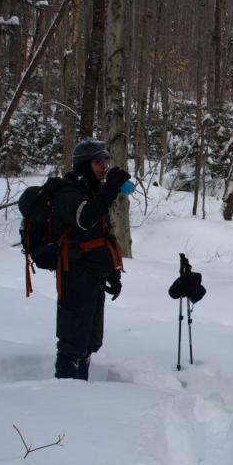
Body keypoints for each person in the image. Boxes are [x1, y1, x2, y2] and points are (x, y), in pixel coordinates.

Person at [52, 139, 134, 380]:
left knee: (89, 341)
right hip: (75, 274)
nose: (104, 165)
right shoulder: (68, 192)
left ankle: (82, 391)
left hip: (95, 275)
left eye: (106, 160)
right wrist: (110, 189)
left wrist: (112, 273)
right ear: (84, 164)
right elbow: (85, 218)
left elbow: (103, 236)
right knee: (72, 341)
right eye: (98, 161)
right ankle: (65, 394)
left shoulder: (94, 191)